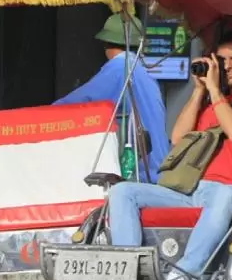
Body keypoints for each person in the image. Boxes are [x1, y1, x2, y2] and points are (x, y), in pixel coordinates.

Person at [106, 29, 232, 280]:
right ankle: (126, 274)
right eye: (221, 60)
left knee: (223, 194)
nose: (226, 66)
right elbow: (178, 137)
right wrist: (199, 91)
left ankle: (184, 277)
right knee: (123, 191)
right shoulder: (211, 104)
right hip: (191, 190)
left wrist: (214, 90)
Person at [54, 13, 169, 181]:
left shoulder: (119, 68)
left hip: (140, 173)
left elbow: (75, 103)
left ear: (106, 44)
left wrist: (39, 116)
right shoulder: (144, 71)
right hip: (160, 170)